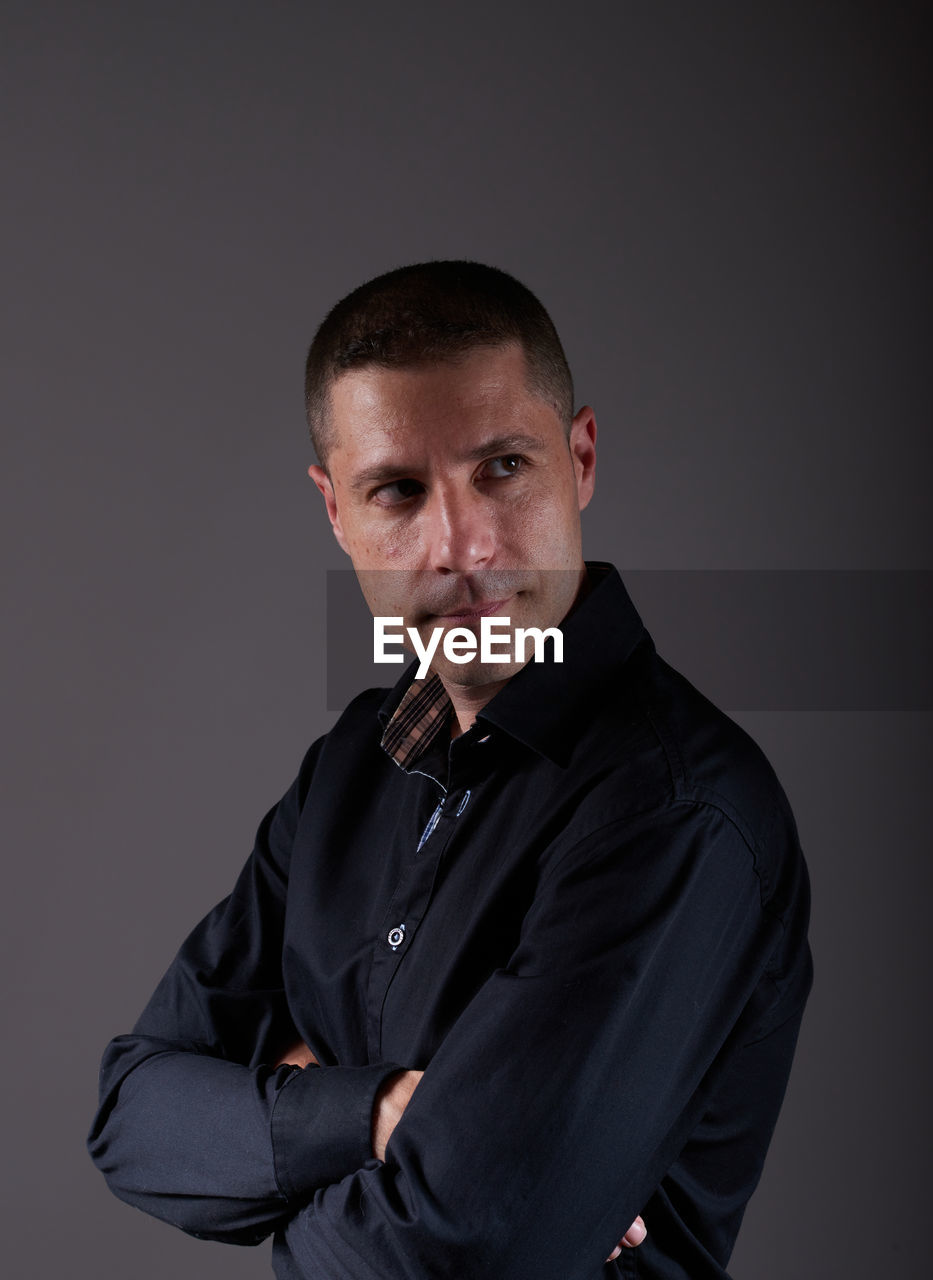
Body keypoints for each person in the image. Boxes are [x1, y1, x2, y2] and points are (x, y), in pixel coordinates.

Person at [88, 261, 812, 1278]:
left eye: (504, 468)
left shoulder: (677, 806)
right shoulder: (349, 764)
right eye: (398, 488)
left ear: (583, 457)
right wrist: (379, 1113)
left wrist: (288, 1123)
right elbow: (133, 1117)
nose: (462, 544)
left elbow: (458, 1258)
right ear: (337, 512)